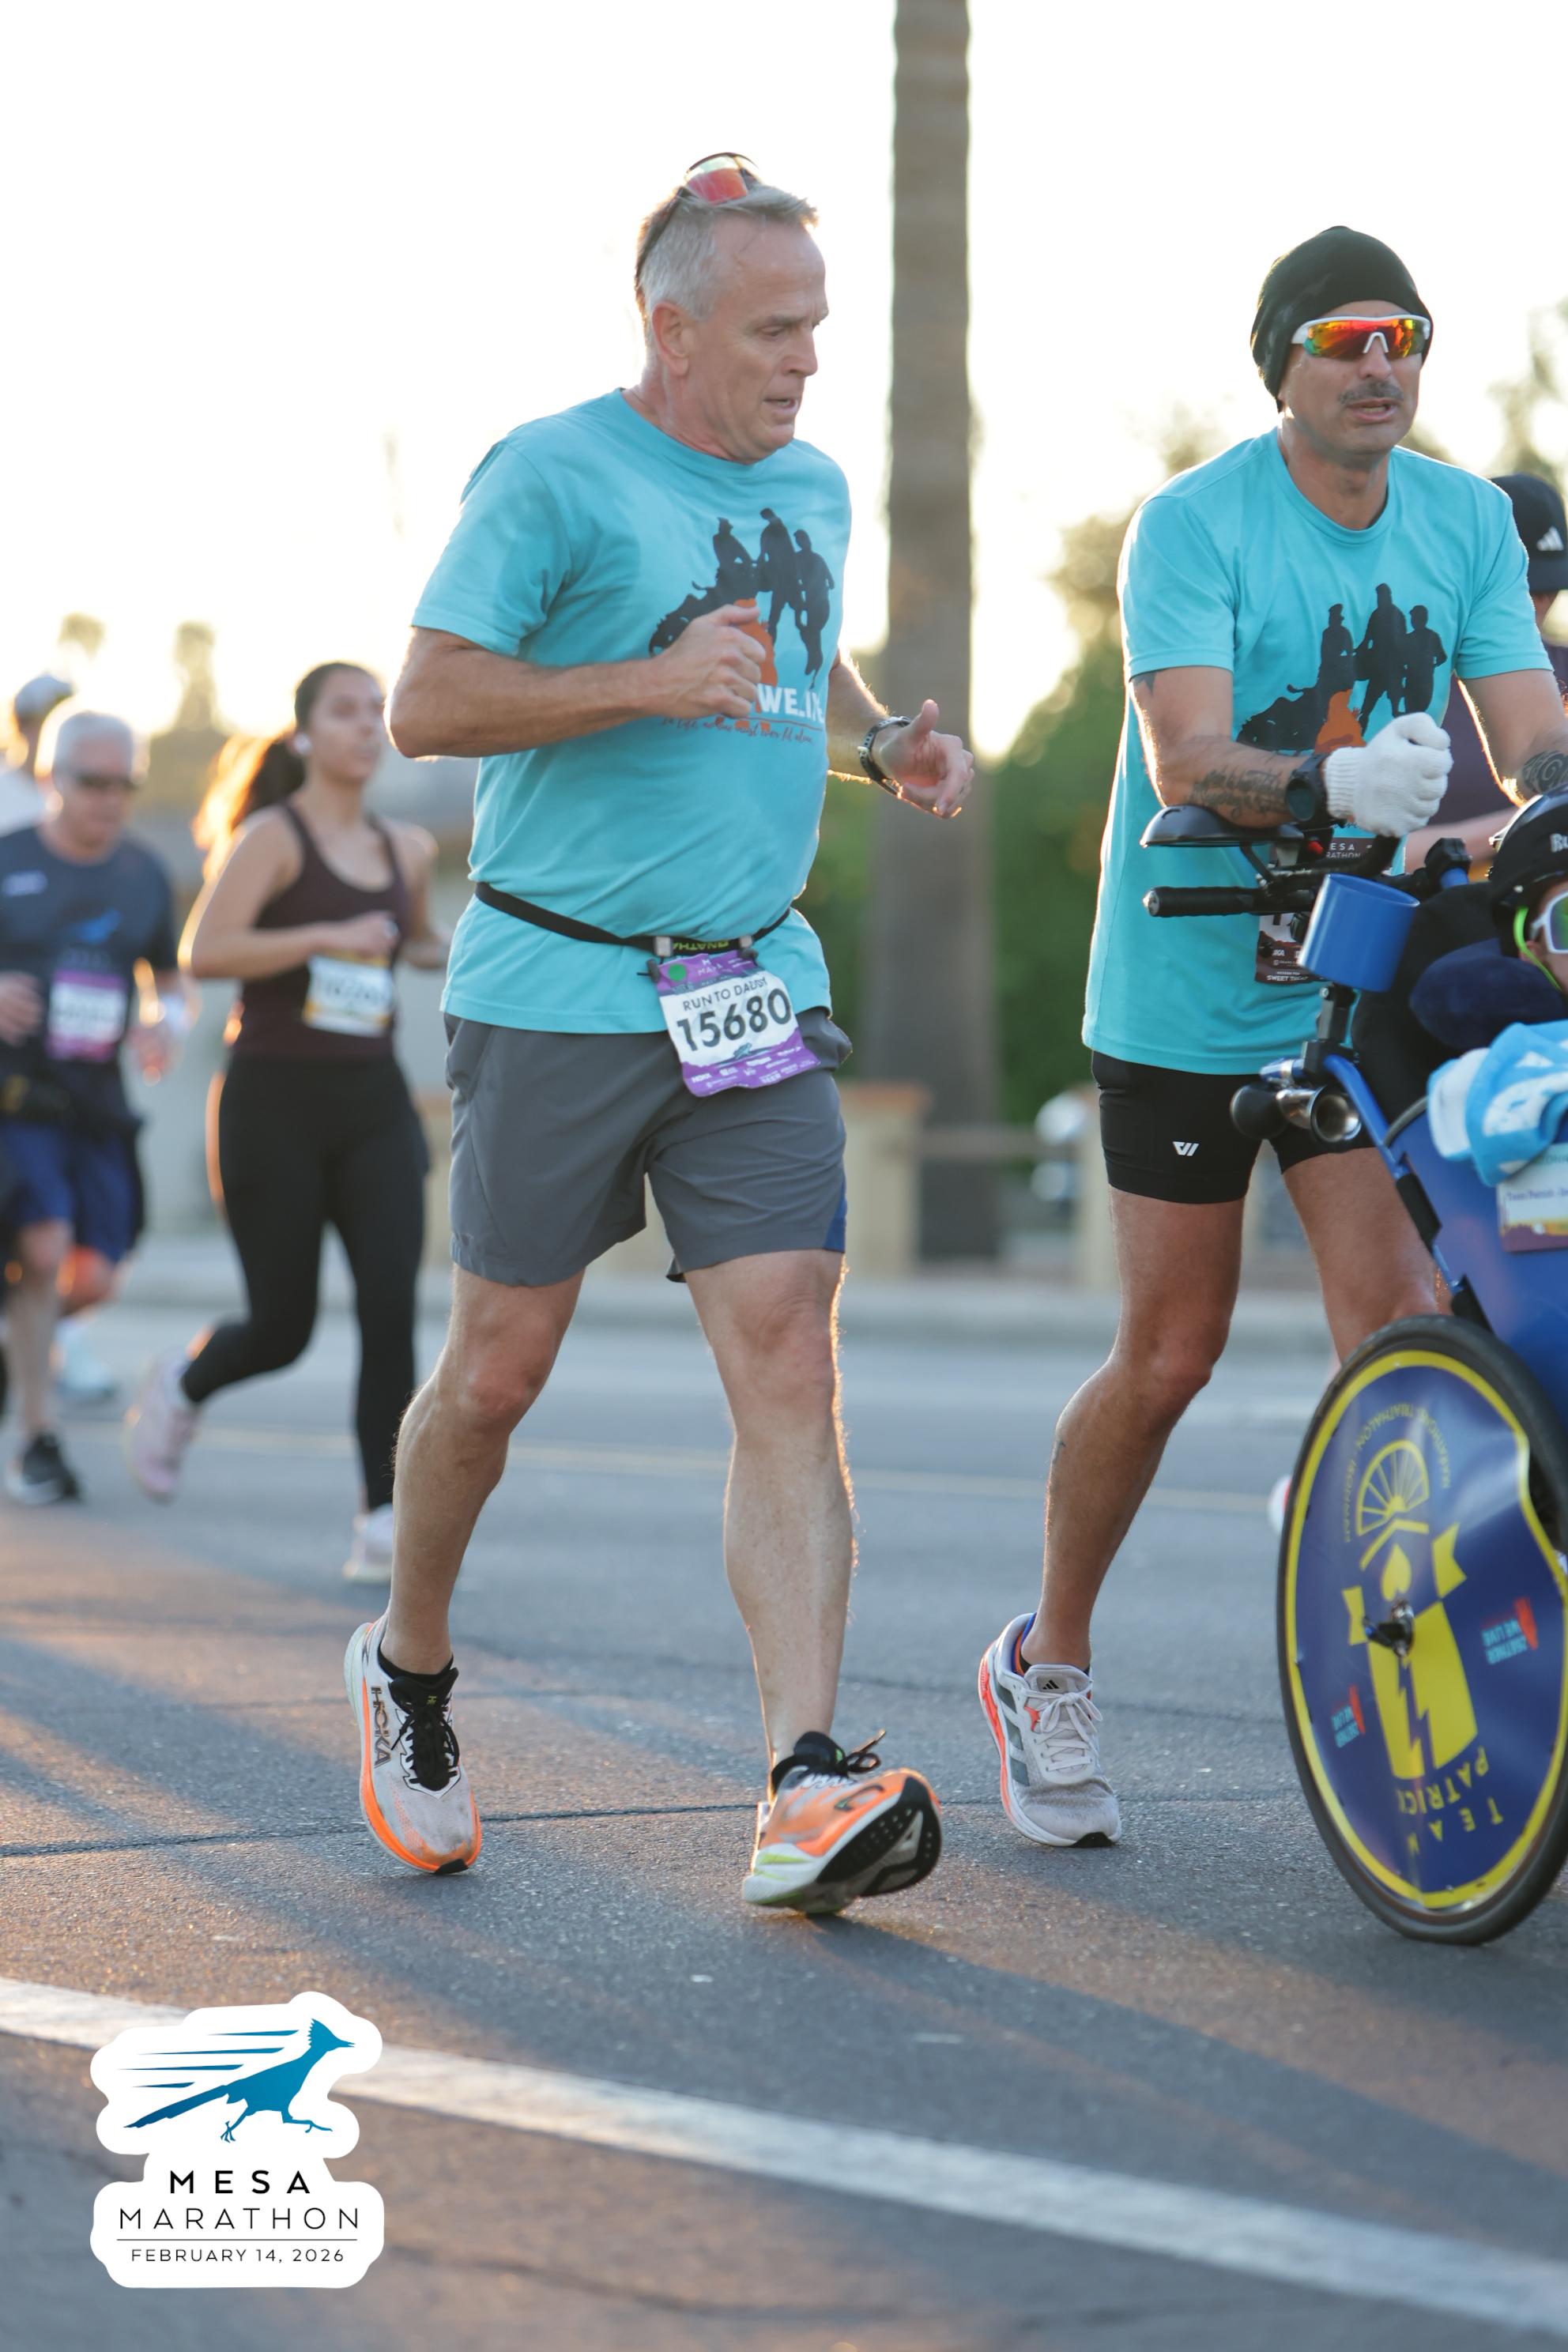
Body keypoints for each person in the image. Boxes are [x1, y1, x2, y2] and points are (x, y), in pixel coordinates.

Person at [352, 153, 972, 1902]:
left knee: (787, 1350)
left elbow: (794, 659)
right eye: (772, 331)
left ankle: (800, 1781)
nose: (805, 360)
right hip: (558, 983)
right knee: (497, 1371)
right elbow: (427, 702)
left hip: (750, 985)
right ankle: (406, 1664)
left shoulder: (814, 483)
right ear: (671, 326)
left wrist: (875, 746)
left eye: (817, 328)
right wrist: (642, 677)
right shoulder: (550, 471)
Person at [979, 226, 1568, 1849]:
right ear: (1278, 367)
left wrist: (1546, 818)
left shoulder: (1459, 519)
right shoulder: (1192, 523)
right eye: (1341, 341)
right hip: (1186, 984)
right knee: (1171, 1353)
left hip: (1347, 977)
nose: (1378, 366)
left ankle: (1426, 1689)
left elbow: (1530, 736)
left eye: (1402, 339)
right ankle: (1046, 1662)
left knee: (1398, 1334)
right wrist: (1325, 784)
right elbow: (1182, 756)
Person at [122, 664, 447, 1582]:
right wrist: (321, 938)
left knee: (391, 1310)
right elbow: (204, 950)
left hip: (372, 1102)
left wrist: (473, 945)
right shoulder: (272, 837)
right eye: (345, 712)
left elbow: (418, 941)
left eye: (376, 711)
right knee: (283, 1325)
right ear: (304, 734)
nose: (367, 726)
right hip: (272, 1104)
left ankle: (381, 1518)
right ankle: (183, 1384)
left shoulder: (407, 848)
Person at [0, 711, 183, 1502]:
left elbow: (170, 981)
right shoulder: (8, 859)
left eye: (124, 784)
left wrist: (165, 1024)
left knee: (96, 1277)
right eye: (92, 782)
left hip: (97, 1105)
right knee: (42, 1252)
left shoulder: (144, 874)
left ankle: (18, 1352)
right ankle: (37, 1441)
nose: (110, 799)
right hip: (16, 1101)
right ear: (51, 778)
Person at [1409, 473, 1568, 869]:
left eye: (1552, 586)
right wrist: (1525, 827)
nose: (1540, 600)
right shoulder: (1389, 685)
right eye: (1526, 586)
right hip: (1426, 904)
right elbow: (1354, 852)